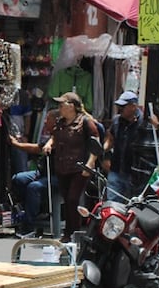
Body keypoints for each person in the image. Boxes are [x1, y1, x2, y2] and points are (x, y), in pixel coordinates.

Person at [41, 92, 100, 241]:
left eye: (63, 104)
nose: (60, 107)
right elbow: (54, 137)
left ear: (72, 106)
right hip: (62, 166)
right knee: (67, 200)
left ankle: (73, 232)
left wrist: (90, 163)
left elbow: (96, 144)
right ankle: (69, 232)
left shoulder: (85, 122)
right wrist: (49, 144)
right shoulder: (60, 122)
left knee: (73, 199)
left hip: (79, 168)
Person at [101, 91, 145, 202]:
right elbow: (110, 140)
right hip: (116, 170)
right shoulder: (116, 121)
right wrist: (103, 152)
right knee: (113, 204)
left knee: (132, 206)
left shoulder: (144, 123)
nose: (120, 109)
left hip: (134, 173)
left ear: (133, 106)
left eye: (123, 106)